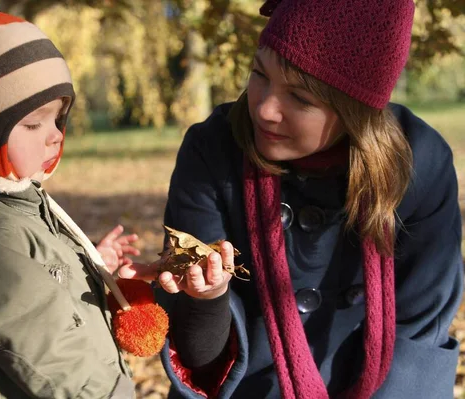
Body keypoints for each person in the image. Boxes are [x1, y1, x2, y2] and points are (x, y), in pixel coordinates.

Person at [119, 0, 464, 397]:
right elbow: (201, 356)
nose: (264, 109)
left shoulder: (419, 161)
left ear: (356, 110)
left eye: (300, 98)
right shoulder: (213, 151)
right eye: (258, 74)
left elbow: (418, 332)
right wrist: (208, 299)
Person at [0, 1, 139, 397]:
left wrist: (85, 263)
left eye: (58, 117)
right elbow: (53, 357)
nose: (55, 134)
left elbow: (40, 279)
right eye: (33, 122)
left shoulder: (8, 199)